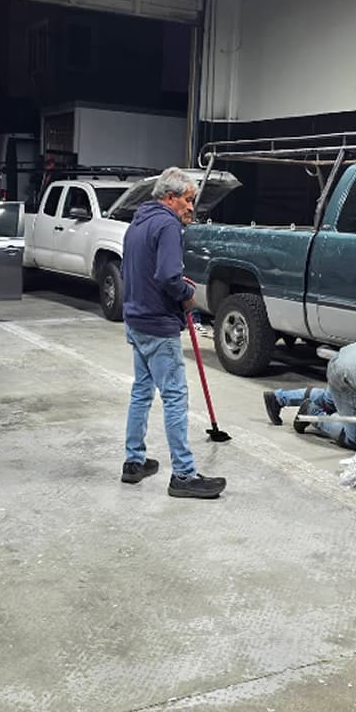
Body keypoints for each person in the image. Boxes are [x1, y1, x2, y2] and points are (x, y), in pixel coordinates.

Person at [121, 167, 227, 500]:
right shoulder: (167, 225)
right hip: (157, 325)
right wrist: (185, 293)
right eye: (188, 199)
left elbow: (132, 271)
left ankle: (133, 462)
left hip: (136, 320)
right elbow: (168, 275)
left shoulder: (136, 224)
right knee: (175, 397)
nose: (191, 207)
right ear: (170, 197)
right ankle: (183, 475)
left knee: (141, 392)